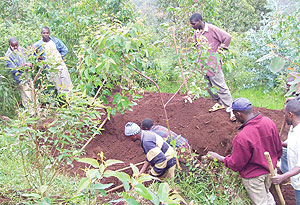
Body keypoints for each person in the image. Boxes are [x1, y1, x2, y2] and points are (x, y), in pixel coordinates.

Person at [207, 97, 282, 205]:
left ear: (239, 114)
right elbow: (278, 149)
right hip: (270, 170)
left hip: (254, 177)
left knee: (261, 202)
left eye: (234, 114)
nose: (234, 117)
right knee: (266, 194)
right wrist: (274, 161)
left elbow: (236, 164)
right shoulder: (268, 122)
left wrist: (220, 158)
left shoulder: (243, 137)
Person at [189, 13, 235, 121]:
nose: (192, 26)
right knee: (208, 86)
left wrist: (220, 51)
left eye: (193, 24)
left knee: (221, 86)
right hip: (203, 65)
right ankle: (219, 103)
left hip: (213, 65)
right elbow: (196, 45)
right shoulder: (197, 32)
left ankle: (231, 109)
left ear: (200, 21)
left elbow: (228, 37)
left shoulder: (212, 29)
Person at [271, 99, 300, 204]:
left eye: (285, 114)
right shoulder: (294, 128)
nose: (284, 117)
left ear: (291, 114)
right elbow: (291, 143)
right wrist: (278, 143)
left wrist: (283, 177)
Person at [33, 26, 72, 94]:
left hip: (61, 65)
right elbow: (33, 55)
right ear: (41, 34)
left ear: (49, 33)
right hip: (51, 68)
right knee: (58, 87)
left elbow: (65, 50)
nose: (45, 35)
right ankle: (62, 102)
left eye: (47, 33)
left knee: (67, 85)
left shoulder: (56, 41)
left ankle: (70, 102)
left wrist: (60, 57)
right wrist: (40, 59)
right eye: (44, 33)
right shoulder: (38, 45)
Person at [5, 37, 33, 111]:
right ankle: (32, 112)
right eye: (13, 46)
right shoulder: (8, 55)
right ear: (10, 45)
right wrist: (22, 67)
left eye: (16, 45)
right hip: (20, 78)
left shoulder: (22, 49)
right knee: (27, 94)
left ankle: (30, 112)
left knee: (31, 93)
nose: (15, 47)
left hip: (28, 75)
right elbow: (12, 69)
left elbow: (28, 58)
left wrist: (29, 64)